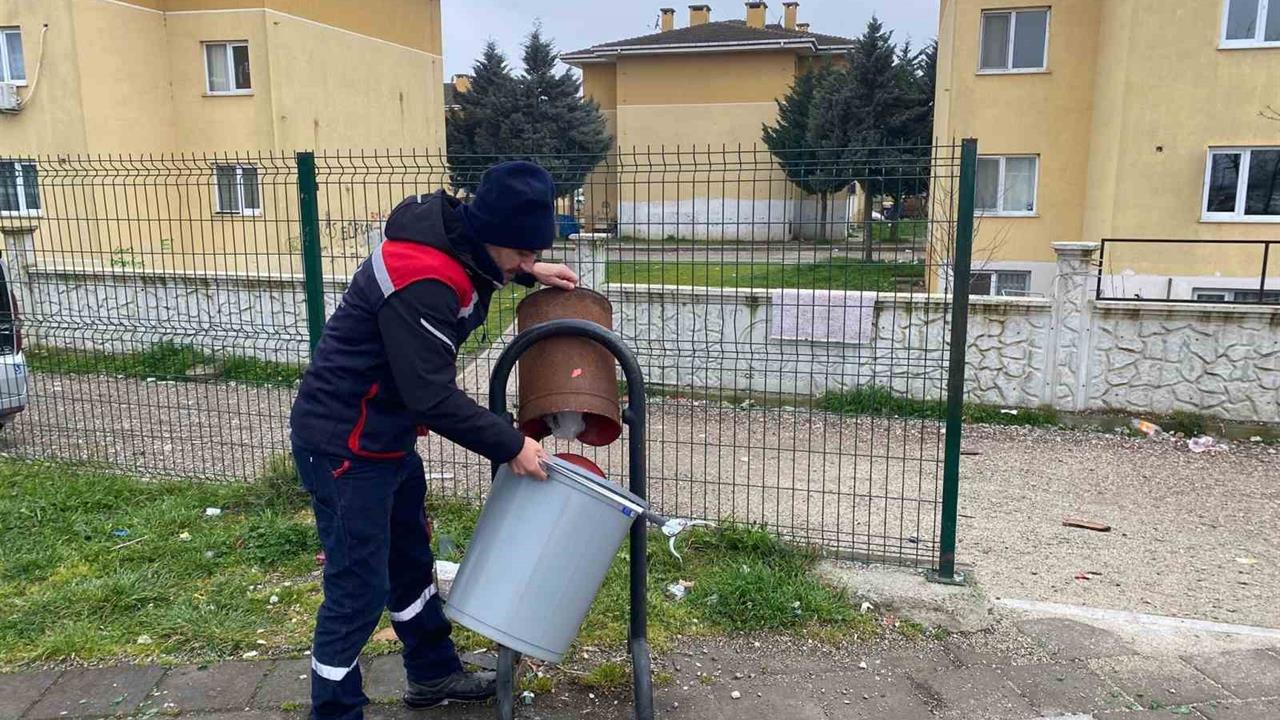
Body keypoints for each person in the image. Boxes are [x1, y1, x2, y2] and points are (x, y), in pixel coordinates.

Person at [288, 161, 578, 719]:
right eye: (522, 252)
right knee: (358, 590)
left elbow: (481, 261)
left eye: (534, 253)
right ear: (491, 232)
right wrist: (512, 445)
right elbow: (431, 396)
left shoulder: (461, 243)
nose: (526, 262)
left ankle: (432, 673)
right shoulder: (421, 278)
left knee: (410, 561)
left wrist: (526, 272)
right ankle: (335, 710)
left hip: (384, 438)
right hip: (344, 446)